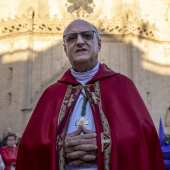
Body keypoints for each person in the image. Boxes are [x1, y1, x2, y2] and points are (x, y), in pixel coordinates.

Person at [16, 19, 165, 170]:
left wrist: (103, 143)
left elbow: (143, 142)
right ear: (65, 49)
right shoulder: (51, 94)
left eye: (87, 36)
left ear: (99, 44)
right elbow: (28, 147)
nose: (79, 41)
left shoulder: (123, 86)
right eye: (71, 38)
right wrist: (60, 145)